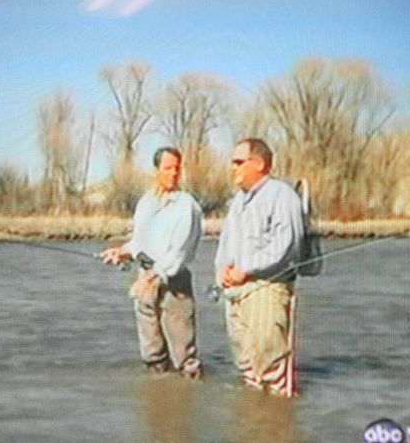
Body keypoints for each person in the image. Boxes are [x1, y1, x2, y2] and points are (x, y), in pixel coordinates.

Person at [101, 147, 203, 379]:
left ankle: (188, 401)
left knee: (185, 358)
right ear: (156, 170)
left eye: (177, 169)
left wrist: (154, 275)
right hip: (145, 279)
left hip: (173, 283)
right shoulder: (146, 203)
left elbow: (179, 253)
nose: (174, 173)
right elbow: (140, 242)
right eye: (168, 168)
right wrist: (122, 252)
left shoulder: (187, 206)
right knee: (152, 354)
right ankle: (157, 401)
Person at [215, 138, 305, 395]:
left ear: (260, 164)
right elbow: (224, 244)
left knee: (272, 367)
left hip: (267, 288)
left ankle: (277, 425)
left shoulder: (282, 196)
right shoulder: (237, 202)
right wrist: (221, 271)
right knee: (247, 368)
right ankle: (252, 423)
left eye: (239, 162)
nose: (233, 168)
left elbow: (286, 246)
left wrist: (246, 268)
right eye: (232, 163)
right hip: (235, 293)